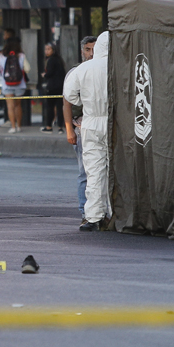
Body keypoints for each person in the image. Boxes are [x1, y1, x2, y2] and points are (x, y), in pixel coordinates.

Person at [64, 32, 110, 232]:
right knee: (114, 170)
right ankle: (113, 213)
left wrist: (85, 102)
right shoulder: (118, 67)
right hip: (112, 122)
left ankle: (93, 216)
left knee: (93, 171)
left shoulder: (83, 69)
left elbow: (70, 95)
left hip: (90, 122)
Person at [64, 37, 97, 217]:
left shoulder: (104, 68)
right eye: (87, 49)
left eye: (94, 49)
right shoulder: (76, 72)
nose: (91, 54)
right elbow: (67, 103)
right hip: (81, 125)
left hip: (99, 124)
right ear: (81, 51)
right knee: (85, 172)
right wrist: (69, 129)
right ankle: (84, 211)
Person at [0, 37, 29, 134]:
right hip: (20, 84)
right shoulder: (21, 55)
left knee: (10, 106)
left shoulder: (2, 56)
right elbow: (27, 68)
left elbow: (1, 70)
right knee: (18, 106)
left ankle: (13, 127)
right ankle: (19, 126)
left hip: (6, 84)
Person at [39, 42, 65, 132]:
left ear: (53, 50)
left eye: (48, 49)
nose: (46, 51)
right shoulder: (59, 60)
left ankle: (49, 126)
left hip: (52, 87)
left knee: (50, 107)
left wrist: (44, 75)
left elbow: (49, 73)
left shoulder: (51, 60)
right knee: (60, 107)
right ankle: (60, 127)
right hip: (61, 86)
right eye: (45, 49)